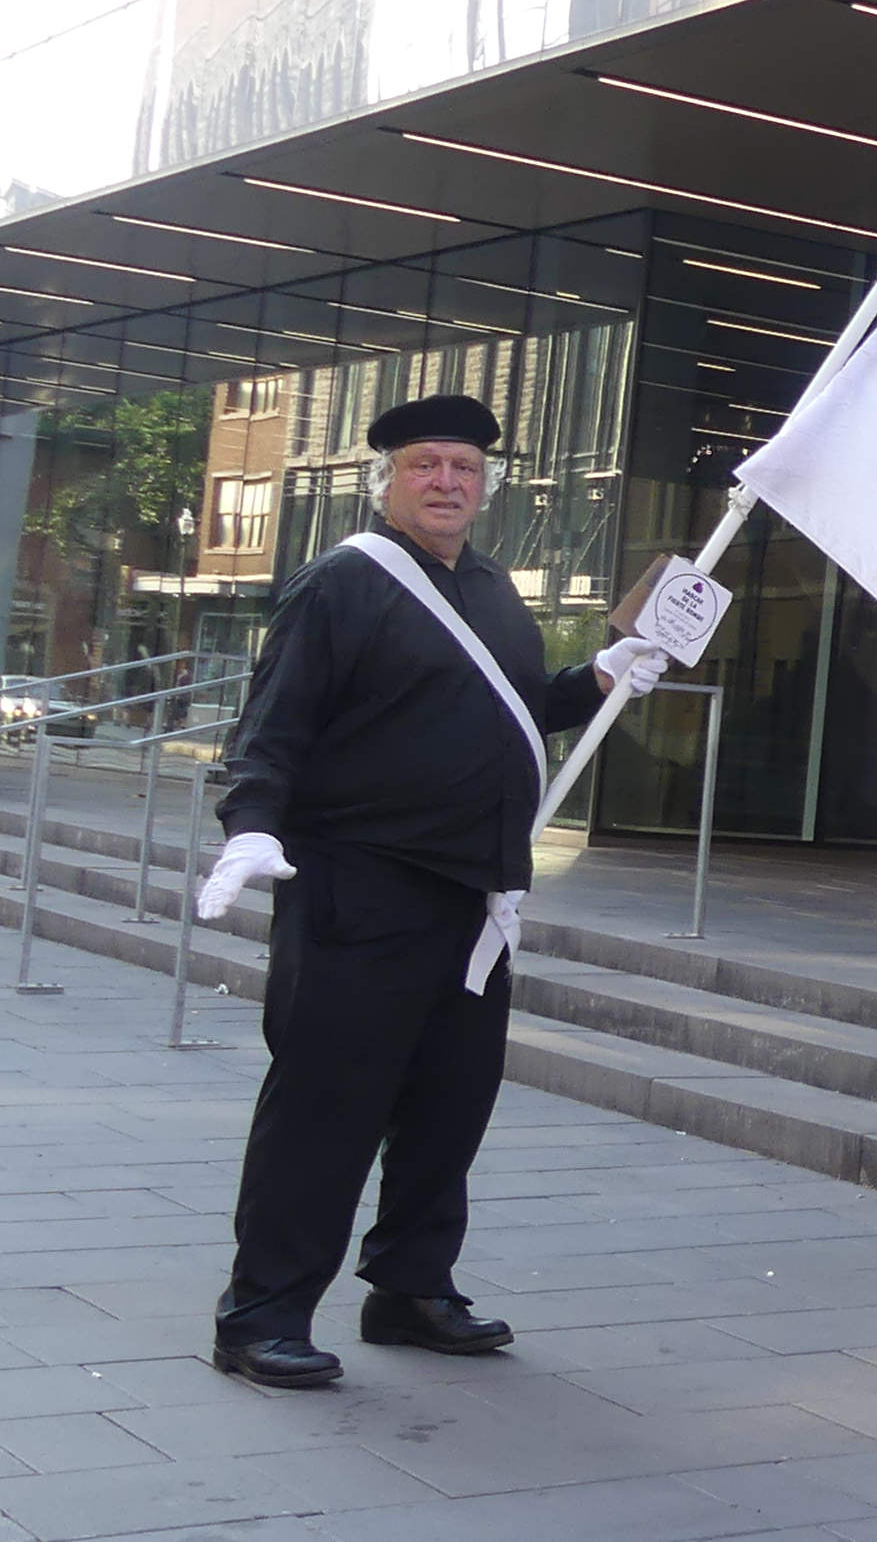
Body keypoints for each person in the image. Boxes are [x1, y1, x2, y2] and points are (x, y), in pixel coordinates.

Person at [195, 395, 672, 1389]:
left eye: (464, 466)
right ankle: (259, 1315)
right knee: (328, 1106)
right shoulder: (344, 583)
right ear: (387, 481)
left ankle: (410, 1288)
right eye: (425, 466)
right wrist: (249, 827)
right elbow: (272, 725)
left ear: (486, 484)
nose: (447, 481)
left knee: (451, 1105)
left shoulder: (495, 589)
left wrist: (601, 676)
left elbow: (510, 710)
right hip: (359, 889)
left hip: (473, 901)